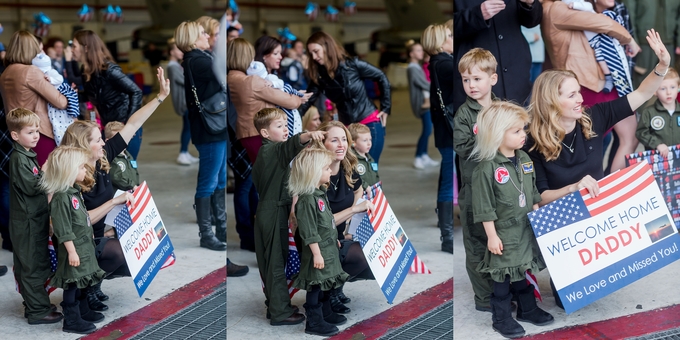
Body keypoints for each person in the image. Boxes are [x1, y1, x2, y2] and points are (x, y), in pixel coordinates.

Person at [525, 29, 670, 308]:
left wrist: (662, 66)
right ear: (552, 102)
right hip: (562, 223)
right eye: (572, 95)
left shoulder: (595, 116)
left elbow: (641, 94)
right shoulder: (532, 141)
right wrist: (573, 188)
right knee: (565, 299)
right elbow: (539, 196)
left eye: (579, 91)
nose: (581, 98)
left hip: (598, 216)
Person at [60, 66, 170, 310]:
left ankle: (93, 283)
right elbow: (77, 220)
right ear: (82, 146)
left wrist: (160, 97)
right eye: (98, 139)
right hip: (79, 241)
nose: (104, 142)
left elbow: (132, 124)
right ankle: (85, 287)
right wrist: (113, 203)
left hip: (99, 234)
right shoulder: (73, 176)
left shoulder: (103, 157)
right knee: (121, 254)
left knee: (143, 252)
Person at [471, 101, 553, 339]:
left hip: (524, 228)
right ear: (497, 134)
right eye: (516, 131)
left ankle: (527, 310)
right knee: (503, 277)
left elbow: (533, 193)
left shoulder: (525, 159)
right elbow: (484, 207)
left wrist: (537, 216)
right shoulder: (486, 169)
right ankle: (502, 318)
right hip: (503, 233)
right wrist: (492, 236)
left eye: (523, 130)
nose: (523, 135)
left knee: (522, 270)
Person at [541, 0, 639, 173]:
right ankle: (603, 190)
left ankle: (611, 187)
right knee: (594, 145)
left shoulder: (567, 7)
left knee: (629, 137)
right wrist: (629, 39)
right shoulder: (556, 8)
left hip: (596, 84)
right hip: (584, 87)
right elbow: (601, 22)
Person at [251, 108, 325, 325]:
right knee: (275, 263)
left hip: (270, 209)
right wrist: (309, 135)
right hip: (273, 211)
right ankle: (280, 313)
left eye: (286, 124)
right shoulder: (273, 150)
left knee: (273, 261)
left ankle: (275, 304)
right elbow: (291, 144)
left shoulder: (267, 153)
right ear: (265, 133)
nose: (285, 129)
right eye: (279, 126)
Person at [298, 31, 391, 164]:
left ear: (326, 47)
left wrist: (386, 107)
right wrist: (291, 121)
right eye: (311, 53)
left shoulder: (353, 64)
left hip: (369, 123)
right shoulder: (319, 77)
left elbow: (381, 77)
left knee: (369, 168)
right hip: (346, 129)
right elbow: (307, 101)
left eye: (316, 51)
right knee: (351, 170)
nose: (314, 56)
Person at [42, 146, 106, 334]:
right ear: (69, 170)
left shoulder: (74, 192)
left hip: (83, 247)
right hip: (74, 249)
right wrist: (71, 251)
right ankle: (71, 320)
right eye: (81, 167)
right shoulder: (62, 197)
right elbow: (63, 228)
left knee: (83, 280)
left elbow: (81, 218)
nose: (85, 170)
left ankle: (83, 310)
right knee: (72, 284)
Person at [7, 108, 63, 325]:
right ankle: (37, 311)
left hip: (33, 219)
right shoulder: (19, 159)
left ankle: (35, 302)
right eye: (30, 132)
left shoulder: (26, 155)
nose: (36, 135)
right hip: (27, 224)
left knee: (35, 263)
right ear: (15, 135)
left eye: (37, 130)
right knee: (32, 266)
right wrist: (46, 168)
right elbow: (34, 187)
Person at [453, 48, 499, 313]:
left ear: (492, 79)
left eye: (477, 79)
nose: (471, 85)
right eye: (465, 80)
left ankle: (501, 288)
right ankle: (483, 297)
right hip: (474, 190)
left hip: (499, 187)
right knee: (476, 242)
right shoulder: (464, 114)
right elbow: (462, 146)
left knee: (498, 239)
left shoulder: (501, 108)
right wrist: (488, 137)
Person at [175, 20, 228, 251]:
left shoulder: (197, 59)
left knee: (218, 178)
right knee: (209, 181)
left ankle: (220, 227)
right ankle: (207, 234)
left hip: (213, 127)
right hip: (210, 129)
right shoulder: (197, 60)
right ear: (192, 38)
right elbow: (223, 69)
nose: (208, 36)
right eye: (203, 33)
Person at [312, 121, 374, 314]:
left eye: (344, 140)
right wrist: (353, 211)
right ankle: (329, 293)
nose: (341, 145)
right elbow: (320, 225)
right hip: (319, 244)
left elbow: (358, 192)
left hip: (340, 237)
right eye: (334, 140)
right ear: (323, 144)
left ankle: (336, 287)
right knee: (361, 256)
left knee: (377, 256)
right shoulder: (315, 175)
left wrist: (349, 228)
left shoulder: (348, 167)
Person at [289, 147, 350, 336]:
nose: (331, 171)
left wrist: (334, 240)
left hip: (327, 248)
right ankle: (314, 323)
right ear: (313, 173)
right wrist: (316, 253)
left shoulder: (319, 194)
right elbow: (309, 231)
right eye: (326, 168)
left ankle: (325, 312)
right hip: (318, 252)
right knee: (315, 286)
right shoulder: (307, 200)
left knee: (325, 283)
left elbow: (327, 222)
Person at [453, 0, 542, 112]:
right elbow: (446, 29)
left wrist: (530, 4)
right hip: (476, 73)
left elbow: (533, 20)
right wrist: (477, 15)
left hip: (516, 73)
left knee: (520, 124)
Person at [68, 30, 144, 159]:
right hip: (108, 127)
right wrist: (71, 95)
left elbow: (136, 91)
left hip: (123, 127)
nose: (71, 50)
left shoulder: (109, 70)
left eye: (74, 46)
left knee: (126, 168)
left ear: (85, 48)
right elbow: (91, 96)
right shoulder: (87, 71)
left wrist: (128, 125)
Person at [0, 30, 68, 165]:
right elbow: (61, 102)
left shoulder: (5, 73)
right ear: (31, 49)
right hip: (39, 133)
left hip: (17, 133)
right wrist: (68, 93)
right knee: (46, 179)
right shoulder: (30, 72)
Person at [422, 24, 454, 254]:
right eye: (450, 36)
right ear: (441, 42)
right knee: (448, 181)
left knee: (446, 178)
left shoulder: (436, 63)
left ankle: (447, 235)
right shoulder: (445, 64)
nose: (454, 39)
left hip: (444, 131)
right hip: (450, 131)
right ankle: (448, 238)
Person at [563, 0, 632, 94]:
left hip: (600, 40)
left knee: (608, 59)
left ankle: (611, 80)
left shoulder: (585, 7)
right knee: (600, 59)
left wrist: (574, 5)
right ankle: (609, 79)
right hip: (594, 43)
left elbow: (587, 7)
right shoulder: (563, 9)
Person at [625, 0, 680, 88]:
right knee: (643, 83)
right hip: (643, 45)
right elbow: (629, 15)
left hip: (669, 44)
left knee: (668, 82)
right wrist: (633, 41)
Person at [31, 52, 79, 146]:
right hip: (52, 104)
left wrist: (51, 80)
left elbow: (60, 79)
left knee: (63, 123)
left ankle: (66, 143)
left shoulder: (51, 72)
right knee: (56, 125)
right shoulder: (38, 75)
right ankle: (63, 143)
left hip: (58, 100)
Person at [247, 59, 304, 135]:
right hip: (282, 109)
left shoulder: (270, 78)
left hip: (288, 110)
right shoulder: (259, 85)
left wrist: (272, 83)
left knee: (294, 128)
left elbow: (281, 83)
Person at [406, 40, 439, 169]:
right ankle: (418, 157)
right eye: (418, 50)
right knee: (427, 130)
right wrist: (437, 87)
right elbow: (423, 84)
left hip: (427, 103)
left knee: (428, 130)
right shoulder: (412, 68)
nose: (421, 52)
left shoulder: (417, 67)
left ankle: (424, 155)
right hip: (423, 105)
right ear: (411, 54)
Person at [166, 38, 199, 165]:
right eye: (178, 49)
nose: (181, 52)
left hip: (186, 101)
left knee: (188, 128)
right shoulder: (172, 67)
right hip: (184, 103)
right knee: (187, 128)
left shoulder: (177, 65)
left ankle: (185, 152)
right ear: (171, 52)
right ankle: (182, 153)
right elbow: (185, 81)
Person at [635, 67, 680, 155]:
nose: (669, 92)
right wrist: (657, 144)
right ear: (655, 91)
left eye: (672, 87)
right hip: (657, 160)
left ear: (678, 87)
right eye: (663, 88)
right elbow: (641, 133)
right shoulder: (648, 112)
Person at [104, 122, 139, 191]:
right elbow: (115, 176)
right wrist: (132, 185)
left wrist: (137, 185)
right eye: (118, 139)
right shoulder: (112, 157)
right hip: (119, 194)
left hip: (132, 191)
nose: (122, 141)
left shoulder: (128, 155)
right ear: (108, 141)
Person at [347, 123, 380, 190]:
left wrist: (378, 187)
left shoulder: (370, 158)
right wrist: (365, 186)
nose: (369, 143)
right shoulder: (352, 159)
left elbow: (376, 175)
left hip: (373, 192)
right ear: (353, 143)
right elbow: (352, 178)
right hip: (361, 195)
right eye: (365, 140)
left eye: (370, 139)